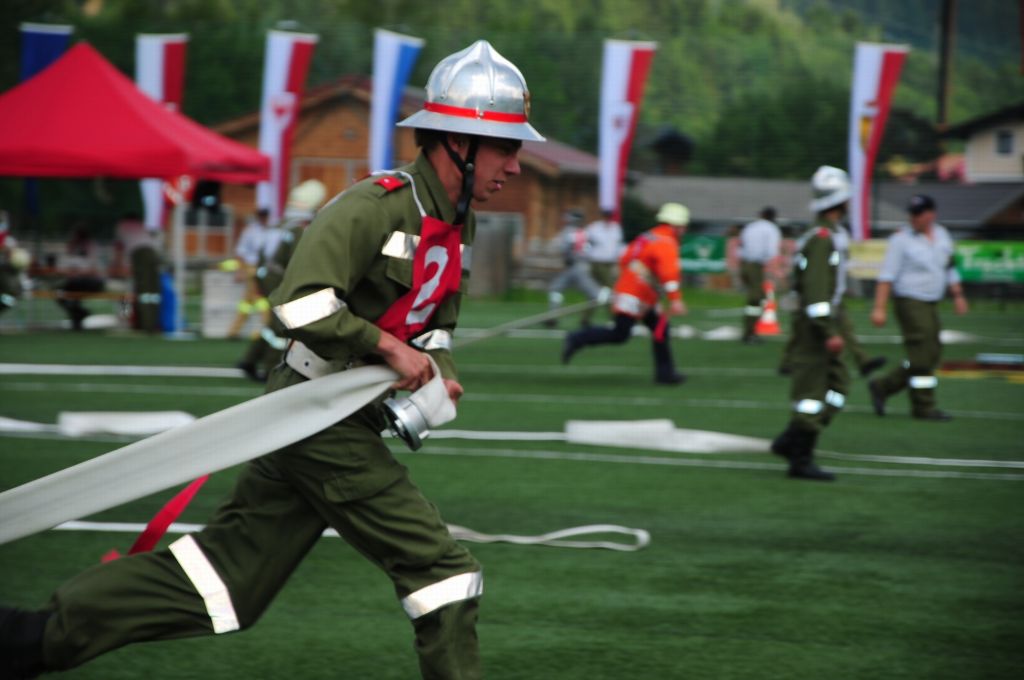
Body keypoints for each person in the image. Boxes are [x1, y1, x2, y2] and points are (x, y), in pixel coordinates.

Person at [0, 40, 543, 680]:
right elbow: (298, 305)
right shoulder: (373, 207)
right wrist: (385, 346)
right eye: (506, 148)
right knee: (444, 572)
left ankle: (25, 640)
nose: (516, 165)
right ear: (458, 142)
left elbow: (434, 327)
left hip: (339, 420)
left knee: (225, 584)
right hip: (316, 418)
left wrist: (440, 378)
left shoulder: (458, 221)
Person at [769, 166, 852, 481]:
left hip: (821, 322)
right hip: (816, 327)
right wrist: (827, 329)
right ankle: (800, 457)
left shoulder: (824, 236)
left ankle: (791, 440)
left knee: (838, 385)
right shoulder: (822, 239)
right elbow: (817, 292)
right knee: (811, 394)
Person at [561, 202, 689, 385]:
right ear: (676, 225)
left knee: (660, 329)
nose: (684, 230)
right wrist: (675, 300)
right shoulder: (666, 242)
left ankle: (665, 374)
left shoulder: (648, 236)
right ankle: (576, 339)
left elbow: (625, 259)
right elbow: (669, 274)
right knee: (620, 333)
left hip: (636, 291)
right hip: (635, 294)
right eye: (683, 226)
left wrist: (637, 289)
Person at [867, 194, 968, 421]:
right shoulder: (901, 239)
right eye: (912, 213)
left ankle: (883, 386)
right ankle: (924, 406)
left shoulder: (942, 235)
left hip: (931, 302)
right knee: (922, 355)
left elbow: (950, 267)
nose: (914, 218)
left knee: (930, 354)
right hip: (910, 301)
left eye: (919, 213)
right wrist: (879, 308)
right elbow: (887, 276)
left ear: (931, 214)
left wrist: (958, 295)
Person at [236, 179, 328, 381]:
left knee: (274, 324)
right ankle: (269, 368)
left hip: (269, 276)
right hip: (278, 279)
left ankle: (250, 360)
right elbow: (297, 261)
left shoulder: (283, 225)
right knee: (281, 325)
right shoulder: (298, 230)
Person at [545, 209, 605, 327]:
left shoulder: (569, 232)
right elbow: (595, 244)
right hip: (578, 266)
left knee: (596, 294)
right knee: (556, 288)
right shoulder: (585, 232)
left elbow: (561, 247)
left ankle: (613, 304)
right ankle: (553, 316)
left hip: (576, 267)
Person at [224, 207, 271, 339]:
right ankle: (264, 328)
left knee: (250, 300)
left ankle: (235, 330)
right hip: (252, 268)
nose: (264, 219)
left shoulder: (271, 230)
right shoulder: (250, 231)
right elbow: (241, 251)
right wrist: (240, 270)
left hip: (266, 268)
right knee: (260, 298)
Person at [738, 206, 781, 343]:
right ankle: (750, 332)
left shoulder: (750, 227)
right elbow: (771, 252)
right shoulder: (771, 229)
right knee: (756, 298)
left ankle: (750, 330)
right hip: (756, 265)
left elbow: (741, 246)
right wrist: (775, 270)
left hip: (745, 263)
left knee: (755, 297)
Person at [582, 208, 623, 326]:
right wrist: (588, 255)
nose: (607, 218)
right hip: (597, 263)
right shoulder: (594, 228)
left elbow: (617, 245)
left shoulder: (615, 228)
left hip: (609, 263)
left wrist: (618, 261)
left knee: (596, 291)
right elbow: (585, 242)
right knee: (610, 288)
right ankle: (613, 316)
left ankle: (586, 318)